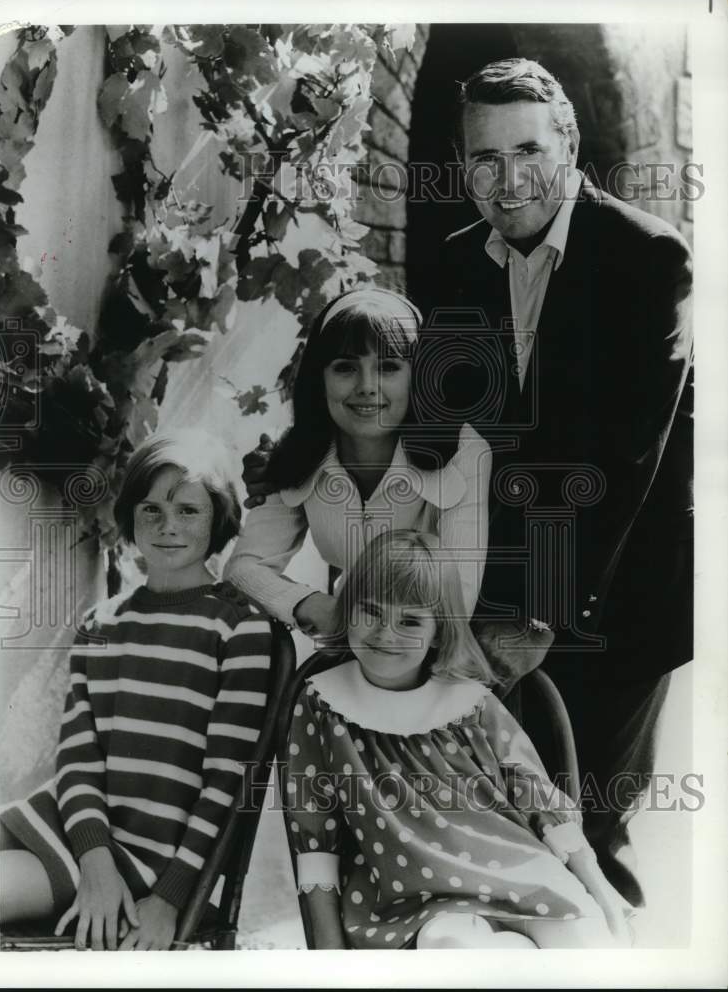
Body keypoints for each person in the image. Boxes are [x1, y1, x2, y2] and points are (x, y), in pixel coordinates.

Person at [409, 57, 693, 906]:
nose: (507, 179)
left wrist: (544, 611)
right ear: (462, 166)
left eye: (527, 151)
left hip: (617, 594)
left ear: (567, 146)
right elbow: (437, 436)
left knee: (591, 836)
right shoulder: (456, 264)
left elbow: (624, 461)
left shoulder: (648, 257)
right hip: (498, 600)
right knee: (508, 834)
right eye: (484, 159)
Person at [285, 529, 632, 949]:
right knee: (451, 947)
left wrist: (601, 891)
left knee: (585, 941)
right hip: (417, 900)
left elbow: (536, 795)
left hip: (521, 871)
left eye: (410, 620)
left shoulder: (470, 702)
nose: (385, 633)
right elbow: (313, 833)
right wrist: (328, 953)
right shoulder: (322, 702)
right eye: (370, 611)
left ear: (439, 631)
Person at [0, 429, 273, 950]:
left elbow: (227, 785)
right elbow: (78, 759)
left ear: (219, 518)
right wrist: (94, 858)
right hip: (78, 829)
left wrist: (170, 899)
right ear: (130, 517)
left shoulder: (239, 629)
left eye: (188, 511)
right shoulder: (102, 623)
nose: (168, 527)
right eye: (151, 510)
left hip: (146, 856)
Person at [223, 287, 492, 641]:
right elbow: (243, 569)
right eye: (346, 367)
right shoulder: (295, 451)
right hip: (347, 643)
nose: (367, 386)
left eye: (388, 367)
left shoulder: (464, 452)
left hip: (437, 654)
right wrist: (317, 606)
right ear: (320, 379)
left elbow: (456, 606)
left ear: (419, 377)